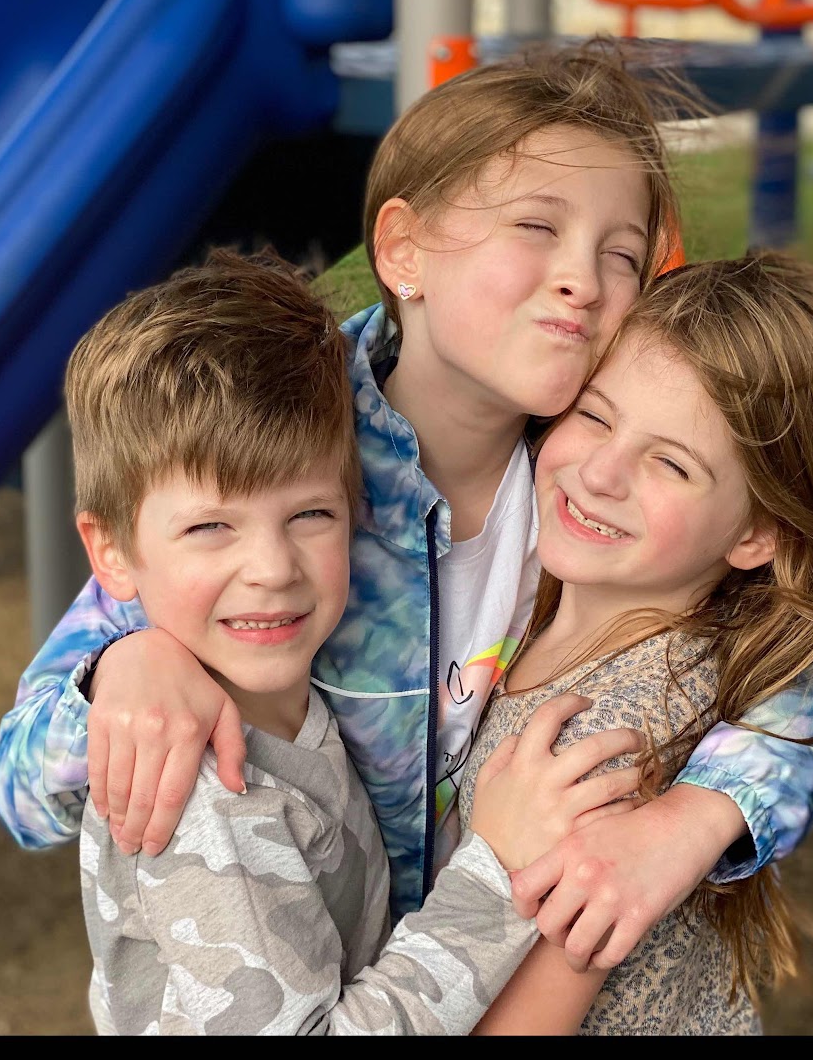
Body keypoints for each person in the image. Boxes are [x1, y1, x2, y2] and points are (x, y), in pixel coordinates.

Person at [0, 37, 813, 968]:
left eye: (622, 254)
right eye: (536, 227)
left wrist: (695, 821)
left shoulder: (590, 473)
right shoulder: (276, 447)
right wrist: (123, 669)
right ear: (404, 250)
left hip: (474, 975)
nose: (584, 280)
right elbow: (20, 792)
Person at [64, 250, 645, 1033]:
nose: (272, 569)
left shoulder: (292, 712)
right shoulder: (208, 795)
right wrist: (495, 867)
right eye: (210, 528)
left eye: (310, 515)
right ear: (110, 552)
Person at [466, 252, 813, 1034]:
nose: (601, 472)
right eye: (595, 415)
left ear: (757, 533)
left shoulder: (602, 747)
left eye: (670, 463)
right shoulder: (529, 588)